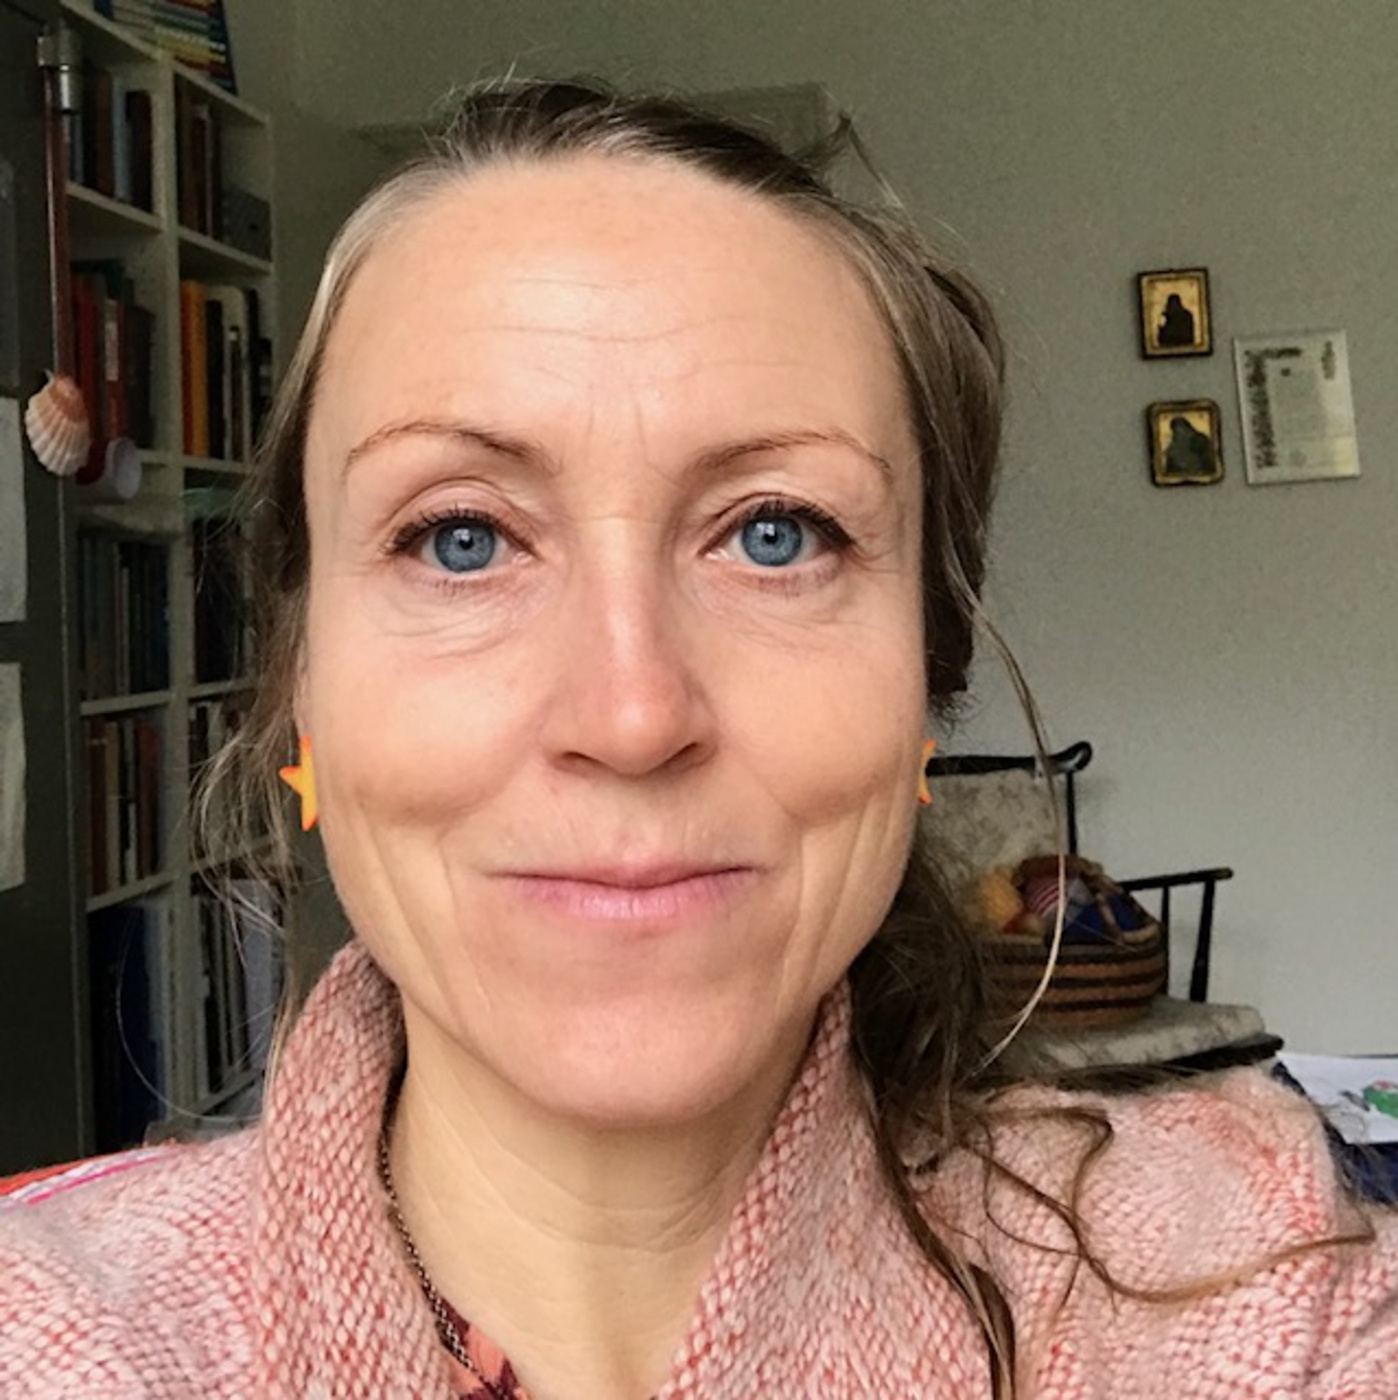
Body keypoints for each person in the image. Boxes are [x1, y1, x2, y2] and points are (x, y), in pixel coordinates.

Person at [2, 79, 1395, 1400]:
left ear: (923, 685)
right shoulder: (57, 1332)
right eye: (461, 538)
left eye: (775, 534)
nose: (631, 714)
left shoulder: (1233, 1263)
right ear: (300, 686)